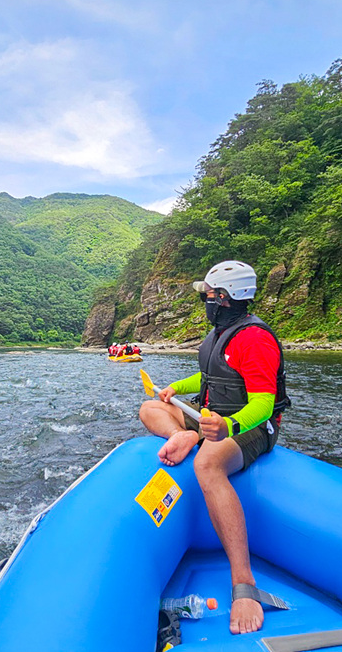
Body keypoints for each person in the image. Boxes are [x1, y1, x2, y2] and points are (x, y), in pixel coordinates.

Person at [138, 260, 290, 636]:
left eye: (208, 295)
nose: (204, 301)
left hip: (252, 426)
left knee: (207, 464)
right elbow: (208, 376)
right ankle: (186, 434)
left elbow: (263, 404)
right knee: (151, 408)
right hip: (213, 417)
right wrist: (178, 388)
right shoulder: (218, 335)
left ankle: (244, 585)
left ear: (224, 297)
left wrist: (227, 426)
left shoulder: (255, 339)